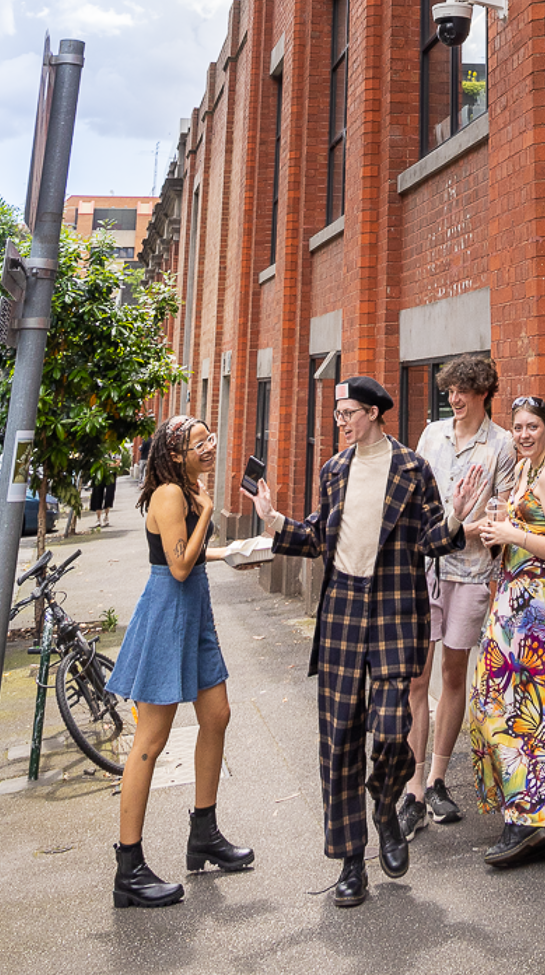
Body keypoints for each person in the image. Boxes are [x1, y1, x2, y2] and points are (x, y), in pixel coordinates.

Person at [253, 375, 485, 909]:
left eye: (351, 413)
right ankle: (352, 862)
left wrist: (455, 517)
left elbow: (431, 538)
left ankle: (385, 806)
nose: (342, 422)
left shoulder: (410, 467)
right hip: (341, 611)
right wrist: (272, 520)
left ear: (376, 413)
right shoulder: (333, 470)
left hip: (393, 612)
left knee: (391, 730)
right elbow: (316, 536)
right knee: (337, 742)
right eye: (338, 415)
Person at [107, 415, 253, 907]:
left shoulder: (186, 491)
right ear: (175, 454)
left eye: (211, 438)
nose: (210, 447)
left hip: (194, 610)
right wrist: (209, 511)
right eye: (199, 443)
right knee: (151, 740)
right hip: (168, 613)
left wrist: (231, 552)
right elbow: (177, 564)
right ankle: (128, 868)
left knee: (217, 716)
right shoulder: (173, 495)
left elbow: (189, 559)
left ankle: (204, 834)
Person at [399, 353, 516, 838]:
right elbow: (413, 499)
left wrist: (461, 528)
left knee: (452, 674)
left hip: (470, 574)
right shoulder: (431, 435)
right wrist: (447, 527)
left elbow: (502, 517)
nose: (455, 399)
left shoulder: (502, 445)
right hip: (426, 571)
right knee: (415, 679)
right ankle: (412, 789)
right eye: (450, 391)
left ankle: (439, 777)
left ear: (483, 392)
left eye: (464, 391)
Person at [468, 394, 545, 868]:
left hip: (539, 607)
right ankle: (523, 810)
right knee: (495, 704)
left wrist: (513, 535)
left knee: (530, 714)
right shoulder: (524, 470)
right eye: (517, 427)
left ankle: (536, 820)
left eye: (532, 426)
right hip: (512, 601)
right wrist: (490, 529)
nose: (524, 434)